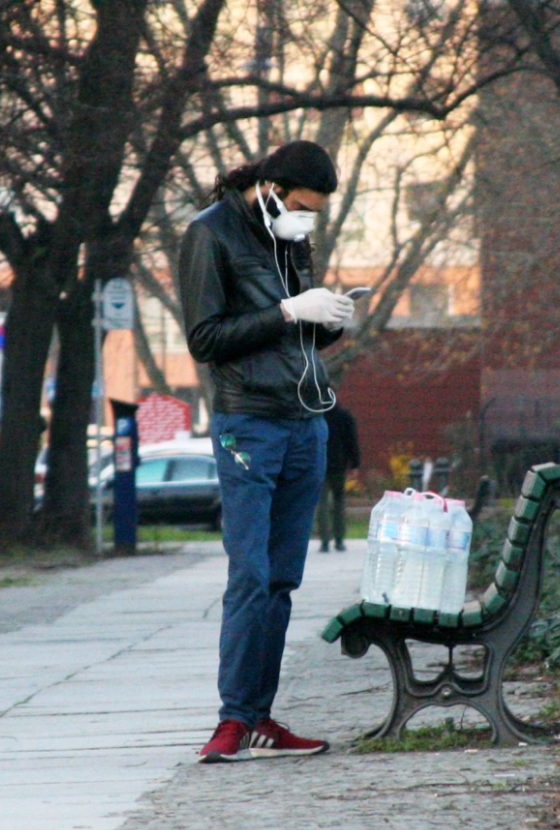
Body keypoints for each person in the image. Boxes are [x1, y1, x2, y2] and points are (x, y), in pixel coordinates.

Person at [179, 140, 354, 763]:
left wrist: (328, 319)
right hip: (248, 424)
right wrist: (286, 310)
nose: (308, 219)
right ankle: (232, 720)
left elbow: (295, 335)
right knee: (250, 574)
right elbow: (205, 339)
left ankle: (259, 717)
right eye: (303, 206)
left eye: (316, 212)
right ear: (272, 187)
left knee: (281, 579)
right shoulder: (211, 234)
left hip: (305, 420)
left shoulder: (288, 236)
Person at [317, 403, 361, 552]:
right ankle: (339, 539)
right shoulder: (344, 416)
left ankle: (324, 540)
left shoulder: (318, 416)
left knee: (322, 502)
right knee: (339, 501)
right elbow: (352, 441)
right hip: (339, 464)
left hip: (321, 464)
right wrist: (354, 463)